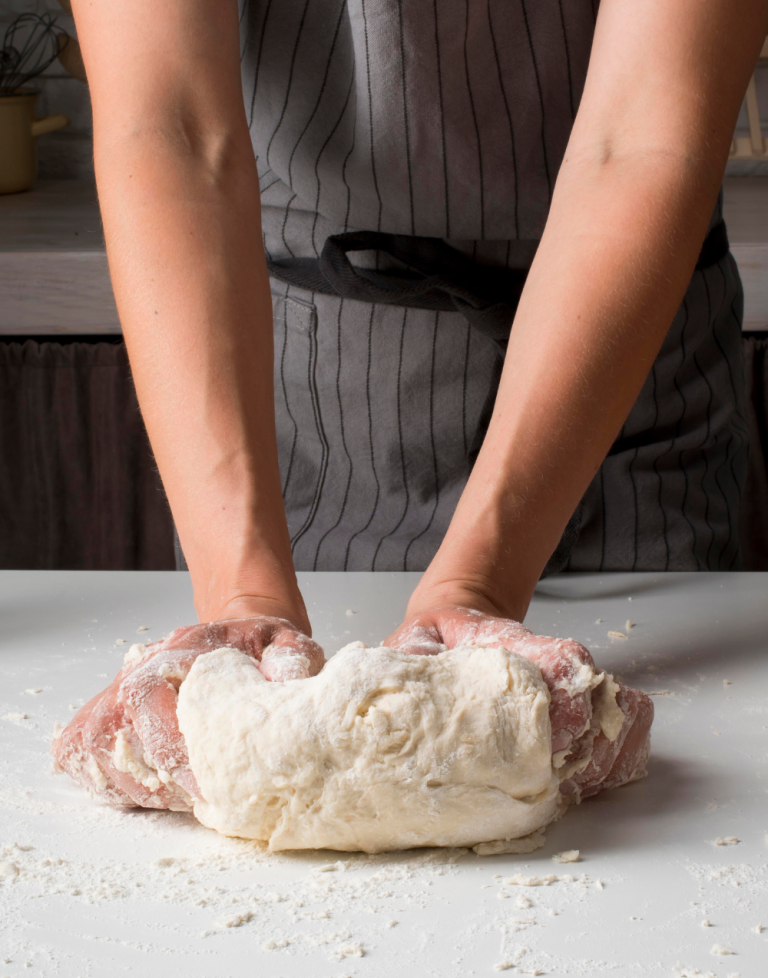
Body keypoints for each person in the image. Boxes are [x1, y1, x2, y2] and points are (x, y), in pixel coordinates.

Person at [68, 1, 766, 719]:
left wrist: (480, 588)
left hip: (619, 392)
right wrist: (243, 592)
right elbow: (172, 127)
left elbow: (640, 139)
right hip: (304, 406)